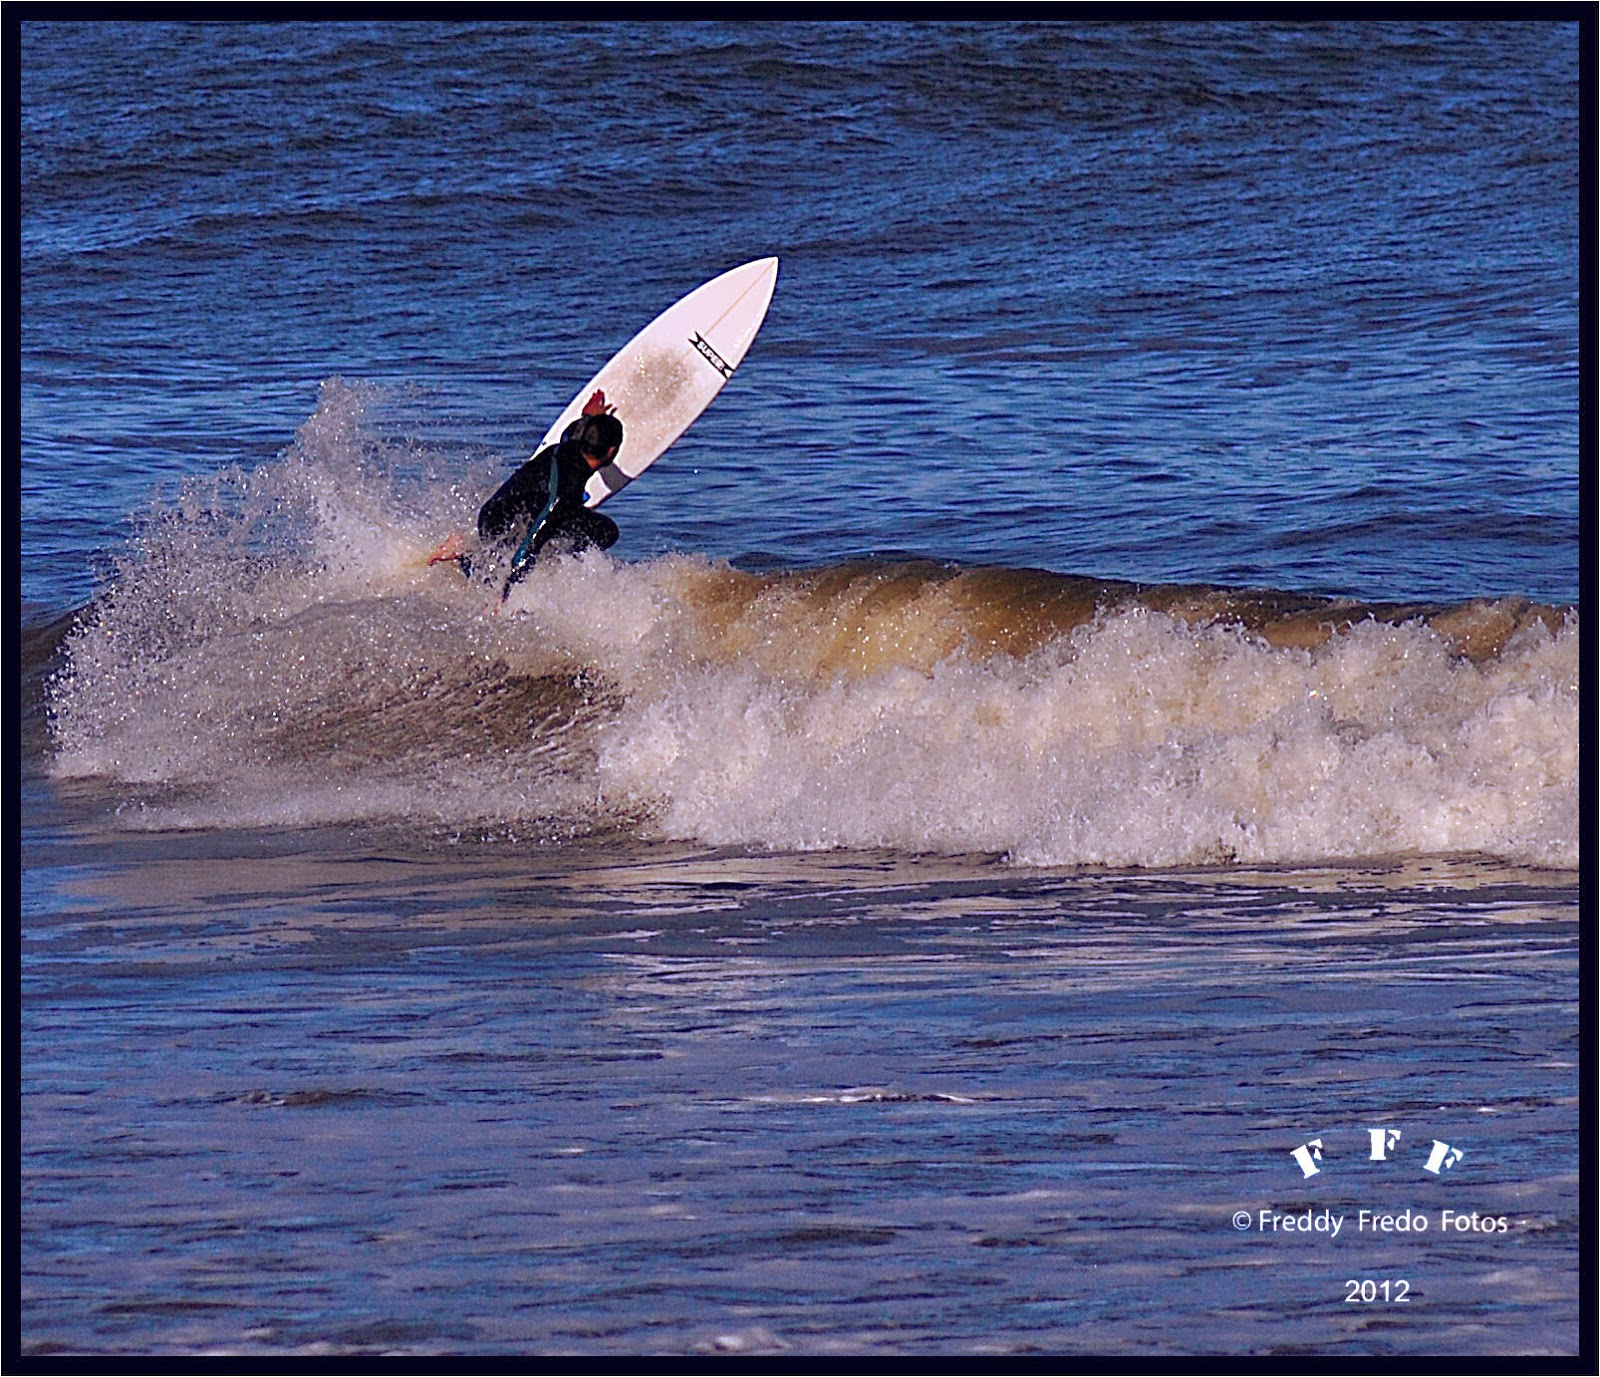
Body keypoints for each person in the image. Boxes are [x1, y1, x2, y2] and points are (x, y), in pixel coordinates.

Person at [430, 389, 622, 595]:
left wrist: (588, 417)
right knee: (605, 532)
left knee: (513, 547)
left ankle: (465, 553)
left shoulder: (570, 445)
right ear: (611, 451)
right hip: (507, 528)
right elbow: (531, 543)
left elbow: (571, 432)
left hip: (491, 515)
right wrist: (507, 593)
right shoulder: (565, 494)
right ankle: (462, 556)